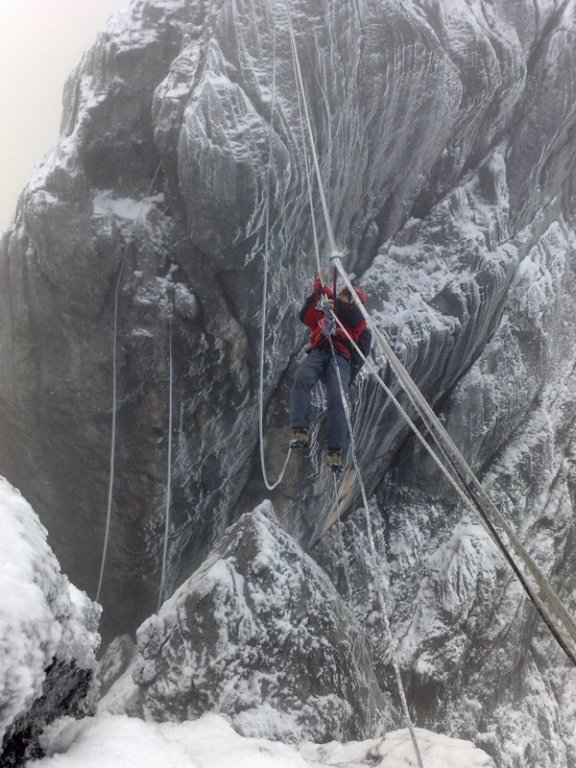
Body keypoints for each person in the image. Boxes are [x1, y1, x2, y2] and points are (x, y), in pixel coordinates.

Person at [289, 274, 372, 471]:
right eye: (342, 294)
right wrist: (316, 295)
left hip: (341, 357)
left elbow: (352, 320)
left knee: (337, 398)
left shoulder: (358, 321)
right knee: (301, 378)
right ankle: (299, 429)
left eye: (346, 296)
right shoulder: (328, 313)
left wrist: (329, 294)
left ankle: (335, 450)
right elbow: (306, 316)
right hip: (319, 350)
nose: (342, 297)